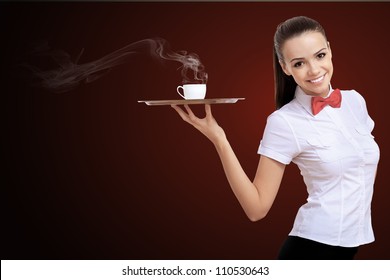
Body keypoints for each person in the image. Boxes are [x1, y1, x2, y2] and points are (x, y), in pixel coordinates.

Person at [171, 16, 380, 260]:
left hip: (352, 246)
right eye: (299, 63)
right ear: (285, 67)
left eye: (320, 55)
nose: (314, 70)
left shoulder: (356, 101)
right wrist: (220, 139)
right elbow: (256, 209)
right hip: (312, 250)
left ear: (330, 51)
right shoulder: (284, 122)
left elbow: (363, 166)